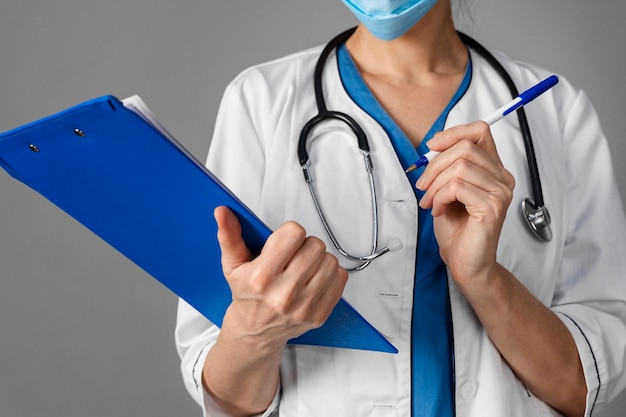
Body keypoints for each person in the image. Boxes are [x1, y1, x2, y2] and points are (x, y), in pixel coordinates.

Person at [176, 1, 626, 416]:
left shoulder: (555, 111)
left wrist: (482, 278)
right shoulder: (260, 101)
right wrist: (254, 330)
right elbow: (225, 399)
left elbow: (581, 385)